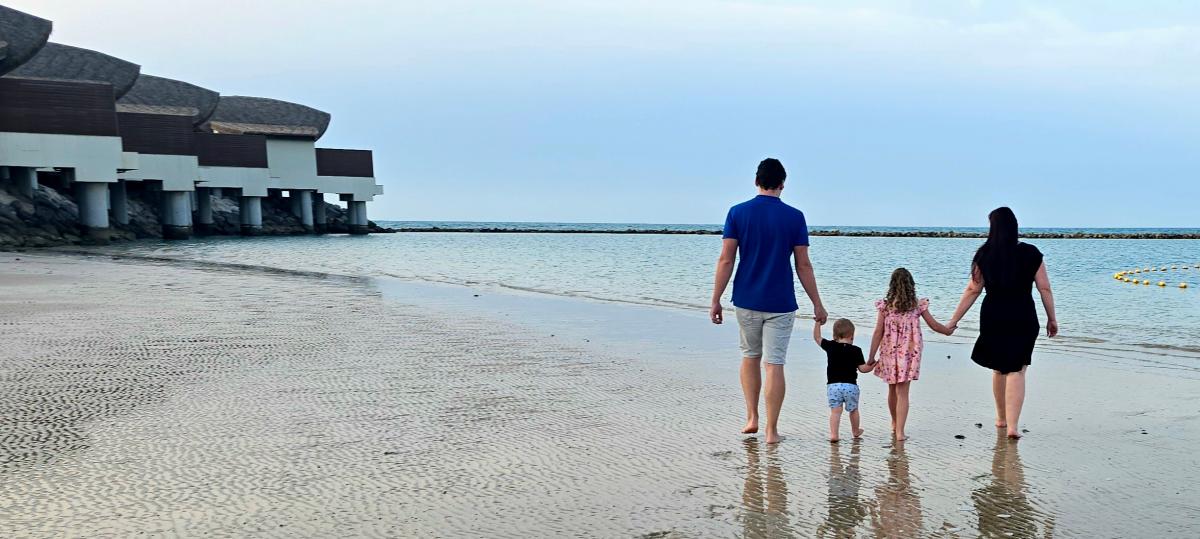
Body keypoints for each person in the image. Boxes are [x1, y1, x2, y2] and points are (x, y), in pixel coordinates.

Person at [710, 157, 827, 444]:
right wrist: (817, 303)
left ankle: (752, 417)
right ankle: (772, 431)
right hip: (781, 301)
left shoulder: (737, 213)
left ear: (756, 181)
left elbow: (726, 260)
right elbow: (803, 265)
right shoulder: (795, 217)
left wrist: (716, 299)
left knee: (750, 356)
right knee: (774, 363)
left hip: (746, 298)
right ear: (782, 185)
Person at [947, 207, 1058, 439]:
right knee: (1017, 369)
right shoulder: (1031, 253)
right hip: (1023, 315)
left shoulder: (984, 254)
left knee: (999, 368)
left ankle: (1001, 418)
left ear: (993, 228)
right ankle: (1013, 427)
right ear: (1014, 226)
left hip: (993, 316)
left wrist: (953, 321)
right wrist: (1052, 318)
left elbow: (972, 290)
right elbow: (1044, 288)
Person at [868, 268, 952, 442]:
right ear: (911, 285)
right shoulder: (917, 306)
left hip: (889, 351)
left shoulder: (885, 307)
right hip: (909, 354)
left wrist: (871, 356)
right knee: (903, 392)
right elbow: (934, 325)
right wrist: (948, 331)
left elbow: (878, 332)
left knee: (892, 388)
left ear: (891, 286)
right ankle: (900, 432)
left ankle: (894, 423)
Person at [814, 318, 876, 442]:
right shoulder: (856, 350)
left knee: (835, 412)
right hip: (850, 386)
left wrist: (817, 323)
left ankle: (834, 435)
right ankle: (855, 431)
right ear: (852, 335)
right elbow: (863, 369)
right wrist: (873, 365)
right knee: (853, 410)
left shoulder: (831, 346)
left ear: (834, 335)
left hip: (833, 386)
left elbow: (817, 337)